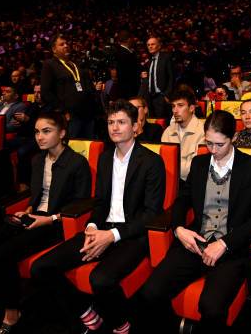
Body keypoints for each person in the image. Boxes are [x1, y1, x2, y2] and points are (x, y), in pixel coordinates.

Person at [31, 100, 165, 334]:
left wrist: (111, 236)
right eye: (111, 122)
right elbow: (101, 202)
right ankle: (85, 310)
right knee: (41, 267)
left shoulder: (152, 161)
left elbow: (151, 214)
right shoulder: (104, 159)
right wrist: (92, 226)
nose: (114, 127)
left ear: (136, 127)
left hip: (132, 234)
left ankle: (121, 324)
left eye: (122, 122)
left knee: (100, 279)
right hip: (101, 227)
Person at [138, 110, 251, 334]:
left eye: (219, 144)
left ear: (233, 139)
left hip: (230, 248)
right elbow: (182, 200)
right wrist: (179, 229)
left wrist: (225, 243)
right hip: (196, 241)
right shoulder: (199, 163)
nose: (213, 151)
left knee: (211, 307)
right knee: (150, 292)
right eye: (209, 143)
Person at [0, 112, 91, 334]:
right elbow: (37, 195)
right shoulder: (37, 160)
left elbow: (81, 206)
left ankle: (12, 313)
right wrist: (28, 209)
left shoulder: (77, 162)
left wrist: (49, 218)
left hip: (56, 223)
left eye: (46, 131)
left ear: (62, 133)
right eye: (36, 132)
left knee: (3, 254)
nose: (40, 137)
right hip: (33, 216)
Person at [41, 33, 97, 138]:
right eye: (61, 44)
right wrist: (62, 111)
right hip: (70, 116)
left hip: (87, 114)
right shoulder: (49, 64)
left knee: (87, 147)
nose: (66, 46)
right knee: (71, 147)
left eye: (67, 43)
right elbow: (46, 92)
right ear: (54, 49)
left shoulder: (77, 64)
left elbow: (88, 86)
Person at [161, 89, 205, 182]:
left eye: (180, 105)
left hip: (191, 184)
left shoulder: (203, 131)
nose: (175, 110)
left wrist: (170, 168)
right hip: (168, 182)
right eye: (173, 106)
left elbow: (195, 169)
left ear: (191, 108)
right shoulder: (168, 131)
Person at [145, 36, 173, 119]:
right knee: (152, 121)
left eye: (153, 44)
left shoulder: (166, 58)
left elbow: (171, 77)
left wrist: (167, 95)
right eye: (148, 45)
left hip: (162, 96)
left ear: (159, 46)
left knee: (162, 122)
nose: (150, 46)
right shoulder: (149, 62)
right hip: (150, 98)